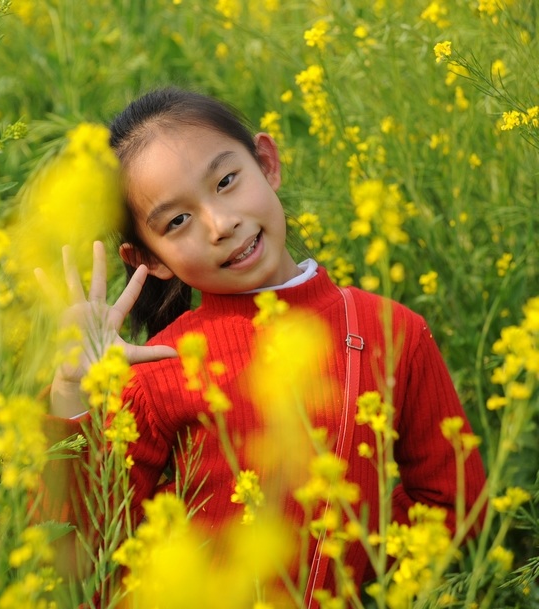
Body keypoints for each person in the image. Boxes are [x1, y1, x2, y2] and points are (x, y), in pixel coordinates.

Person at [43, 87, 486, 604]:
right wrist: (70, 392)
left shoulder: (389, 330)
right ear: (149, 258)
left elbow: (456, 506)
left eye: (226, 181)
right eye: (178, 221)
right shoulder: (160, 366)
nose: (221, 223)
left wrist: (347, 557)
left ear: (268, 164)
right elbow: (78, 560)